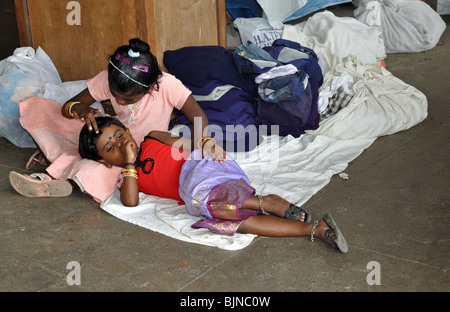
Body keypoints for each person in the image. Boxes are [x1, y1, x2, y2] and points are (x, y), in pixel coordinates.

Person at [78, 116, 348, 253]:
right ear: (104, 162)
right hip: (201, 196)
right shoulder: (127, 177)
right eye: (111, 148)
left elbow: (189, 145)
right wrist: (128, 163)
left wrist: (206, 142)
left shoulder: (152, 139)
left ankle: (267, 202)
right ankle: (313, 229)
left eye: (119, 135)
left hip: (203, 168)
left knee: (201, 199)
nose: (122, 144)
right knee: (229, 223)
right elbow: (131, 202)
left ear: (126, 129)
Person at [11, 38, 218, 200]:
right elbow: (67, 108)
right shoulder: (108, 78)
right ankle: (61, 169)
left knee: (101, 169)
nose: (118, 100)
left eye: (128, 99)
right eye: (114, 93)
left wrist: (203, 146)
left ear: (151, 86)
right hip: (111, 137)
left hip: (144, 151)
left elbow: (199, 116)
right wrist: (79, 108)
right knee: (42, 110)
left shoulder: (167, 85)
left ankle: (56, 178)